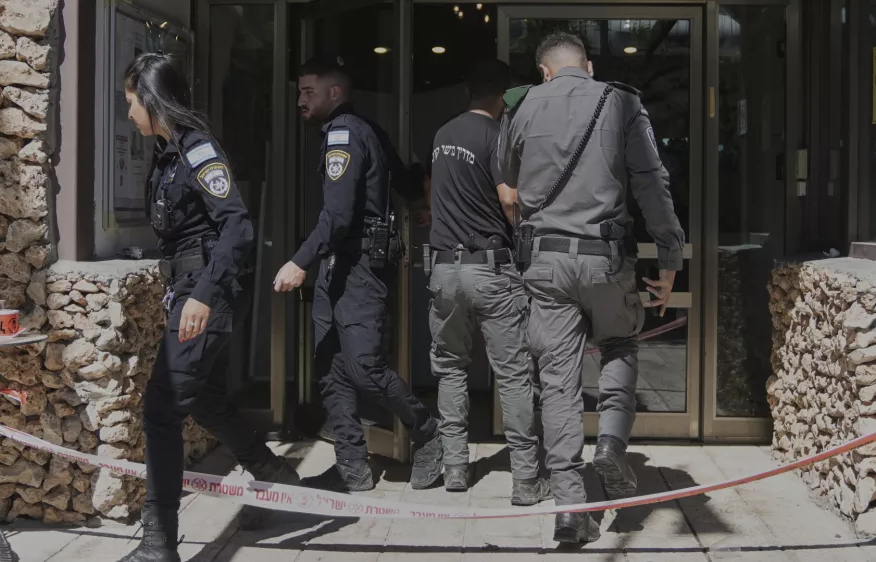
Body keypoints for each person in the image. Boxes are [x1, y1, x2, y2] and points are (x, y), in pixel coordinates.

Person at [498, 32, 685, 543]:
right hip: (606, 259)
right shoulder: (621, 100)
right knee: (620, 342)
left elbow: (507, 180)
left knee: (557, 380)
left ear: (544, 71)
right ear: (589, 64)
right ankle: (610, 445)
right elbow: (652, 181)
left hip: (545, 263)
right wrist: (669, 256)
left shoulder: (521, 106)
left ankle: (569, 510)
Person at [118, 53, 300, 562]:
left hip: (206, 293)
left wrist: (202, 295)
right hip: (191, 290)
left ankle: (159, 545)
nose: (128, 113)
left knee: (161, 410)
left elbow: (237, 227)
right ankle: (275, 474)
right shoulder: (166, 152)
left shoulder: (197, 149)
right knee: (205, 401)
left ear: (153, 101)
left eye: (132, 102)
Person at [274, 56, 443, 492]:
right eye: (298, 92)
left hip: (361, 265)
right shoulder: (364, 130)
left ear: (335, 92)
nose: (300, 101)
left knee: (364, 367)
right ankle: (351, 467)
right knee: (329, 367)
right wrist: (416, 199)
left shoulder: (345, 134)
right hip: (340, 265)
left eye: (308, 92)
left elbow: (339, 215)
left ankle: (429, 434)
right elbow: (401, 174)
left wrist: (298, 262)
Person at [424, 59, 545, 505]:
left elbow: (432, 193)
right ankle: (526, 480)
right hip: (491, 267)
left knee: (451, 368)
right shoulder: (497, 136)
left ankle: (456, 468)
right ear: (504, 96)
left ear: (468, 92)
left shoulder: (442, 135)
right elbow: (508, 199)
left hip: (443, 269)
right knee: (512, 375)